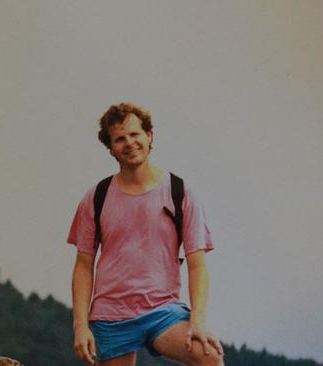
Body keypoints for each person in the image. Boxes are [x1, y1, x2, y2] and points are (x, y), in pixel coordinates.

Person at [67, 103, 224, 366]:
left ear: (149, 136)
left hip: (162, 310)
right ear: (111, 149)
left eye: (135, 134)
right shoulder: (97, 197)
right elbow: (84, 266)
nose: (129, 143)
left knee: (208, 356)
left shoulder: (179, 192)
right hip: (111, 315)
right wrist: (80, 326)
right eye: (119, 139)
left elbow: (198, 266)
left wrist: (197, 321)